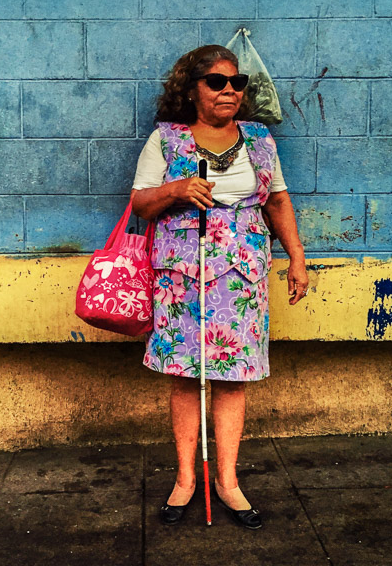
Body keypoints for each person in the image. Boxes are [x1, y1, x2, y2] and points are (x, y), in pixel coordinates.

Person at [131, 45, 308, 528]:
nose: (230, 89)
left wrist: (296, 256)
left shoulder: (259, 139)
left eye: (237, 82)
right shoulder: (166, 140)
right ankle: (186, 479)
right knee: (186, 374)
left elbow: (276, 200)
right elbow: (141, 204)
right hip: (181, 275)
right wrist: (176, 189)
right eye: (216, 81)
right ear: (192, 90)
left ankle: (228, 482)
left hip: (242, 274)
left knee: (233, 376)